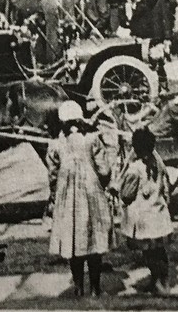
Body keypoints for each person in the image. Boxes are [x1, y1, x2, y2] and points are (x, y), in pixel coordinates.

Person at [46, 101, 115, 297]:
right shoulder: (92, 139)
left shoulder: (55, 144)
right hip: (91, 194)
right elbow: (104, 169)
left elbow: (52, 174)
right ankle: (95, 288)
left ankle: (78, 287)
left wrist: (54, 194)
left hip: (67, 198)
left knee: (72, 240)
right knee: (93, 242)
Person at [119, 128, 173, 294]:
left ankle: (158, 281)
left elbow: (127, 195)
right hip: (158, 214)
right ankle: (161, 280)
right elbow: (166, 187)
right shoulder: (158, 163)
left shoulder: (134, 169)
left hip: (144, 219)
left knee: (149, 254)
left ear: (135, 147)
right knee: (160, 252)